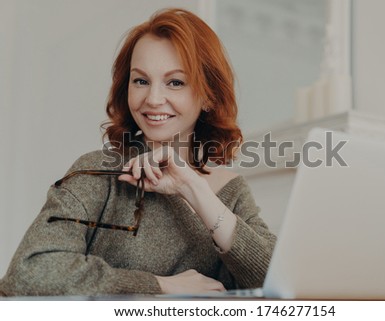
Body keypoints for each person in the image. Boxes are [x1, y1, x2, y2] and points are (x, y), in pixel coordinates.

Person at [0, 8, 276, 296]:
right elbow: (29, 272)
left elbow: (278, 283)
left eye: (175, 82)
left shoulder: (231, 193)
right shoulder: (98, 172)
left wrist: (194, 188)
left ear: (208, 96)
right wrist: (160, 286)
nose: (153, 99)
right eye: (141, 81)